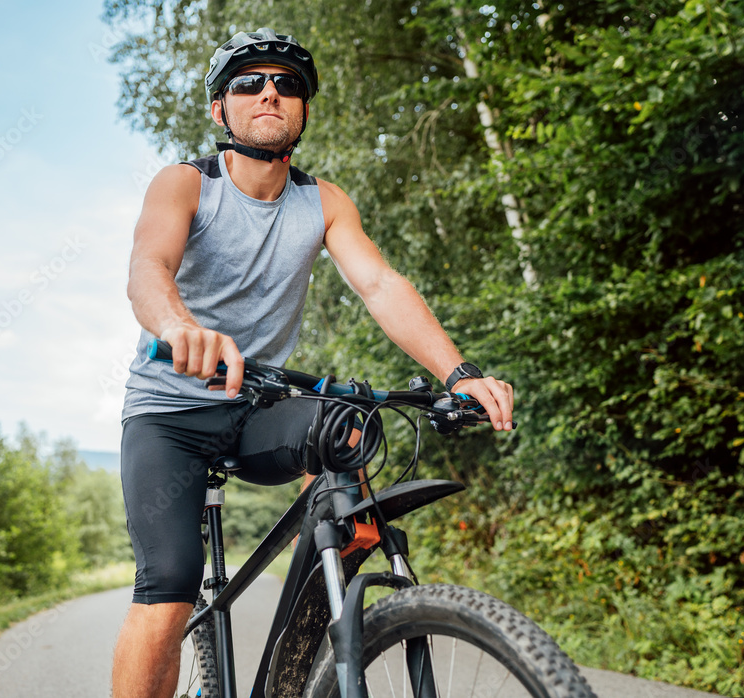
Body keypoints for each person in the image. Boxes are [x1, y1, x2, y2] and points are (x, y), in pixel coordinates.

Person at [111, 27, 514, 698]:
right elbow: (147, 267)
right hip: (169, 414)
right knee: (170, 588)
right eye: (250, 83)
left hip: (254, 409)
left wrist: (459, 372)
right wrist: (179, 326)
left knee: (347, 429)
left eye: (287, 84)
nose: (270, 92)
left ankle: (299, 655)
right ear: (220, 110)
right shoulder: (185, 184)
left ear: (303, 109)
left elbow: (380, 285)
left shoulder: (322, 201)